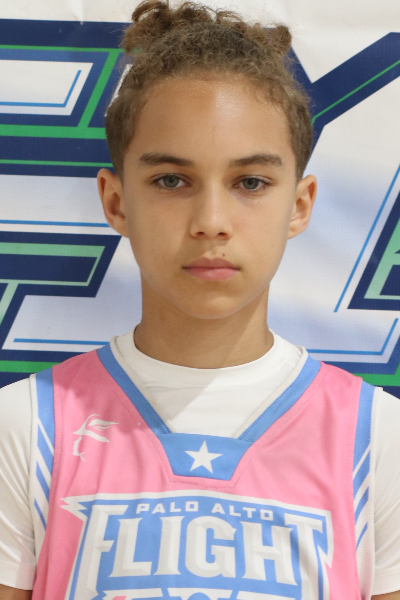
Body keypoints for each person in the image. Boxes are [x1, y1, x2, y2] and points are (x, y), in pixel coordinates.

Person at [0, 1, 399, 599]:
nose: (212, 220)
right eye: (171, 180)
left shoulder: (378, 439)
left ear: (299, 205)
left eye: (250, 183)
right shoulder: (26, 426)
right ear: (115, 202)